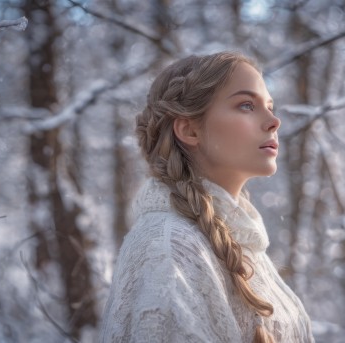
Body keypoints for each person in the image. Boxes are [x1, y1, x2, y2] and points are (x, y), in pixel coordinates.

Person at [100, 51, 314, 343]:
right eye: (247, 105)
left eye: (270, 106)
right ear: (189, 129)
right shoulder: (167, 247)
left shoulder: (240, 242)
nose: (274, 121)